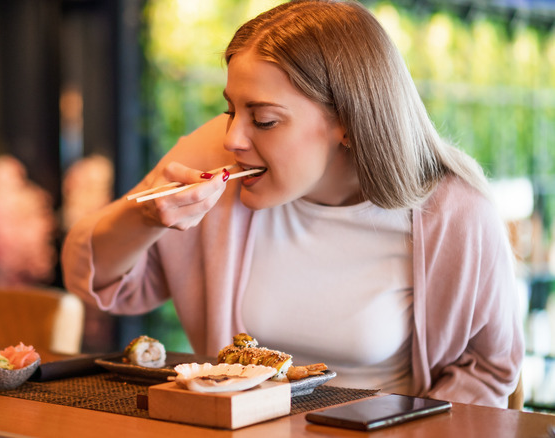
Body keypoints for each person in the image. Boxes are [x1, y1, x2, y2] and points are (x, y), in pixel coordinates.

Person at [61, 0, 523, 408]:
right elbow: (94, 279)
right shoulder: (213, 159)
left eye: (263, 120)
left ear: (347, 122)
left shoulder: (454, 213)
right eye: (230, 110)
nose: (233, 137)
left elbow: (489, 370)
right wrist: (145, 217)